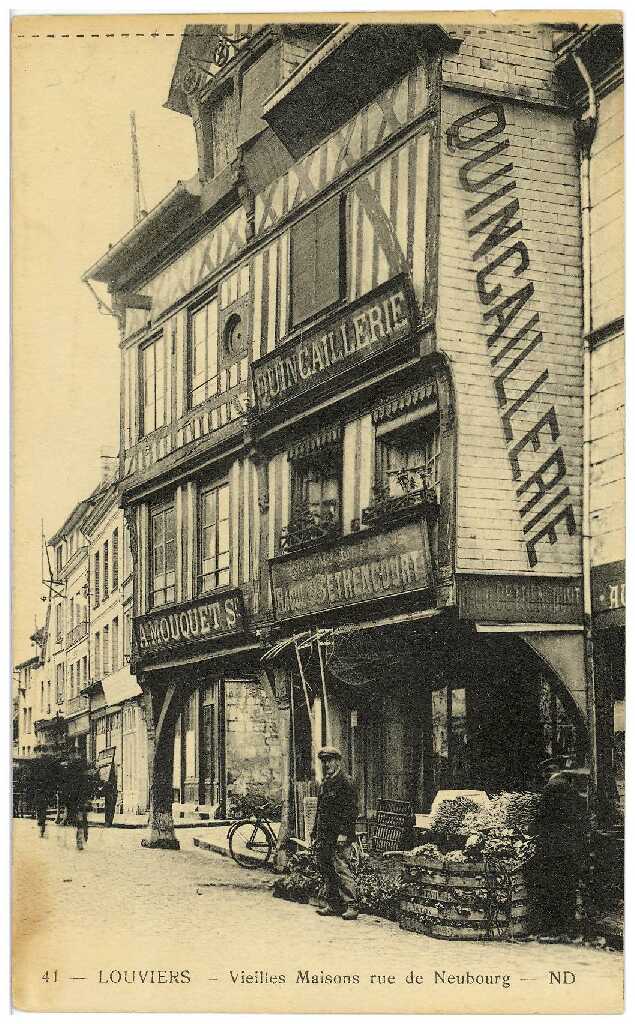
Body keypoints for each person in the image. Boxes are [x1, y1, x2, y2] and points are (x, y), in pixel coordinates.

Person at [533, 765, 587, 942]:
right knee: (569, 889)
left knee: (553, 889)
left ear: (547, 774)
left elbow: (541, 816)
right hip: (571, 847)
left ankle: (554, 931)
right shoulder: (572, 789)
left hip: (554, 848)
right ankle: (569, 930)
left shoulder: (550, 788)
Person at [311, 746, 359, 921]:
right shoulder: (325, 782)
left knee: (341, 868)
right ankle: (333, 904)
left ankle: (351, 905)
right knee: (326, 868)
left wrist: (345, 833)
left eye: (330, 761)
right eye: (324, 762)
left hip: (339, 835)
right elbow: (320, 809)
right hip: (325, 835)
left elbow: (351, 811)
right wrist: (315, 832)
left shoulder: (346, 782)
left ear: (338, 761)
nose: (327, 765)